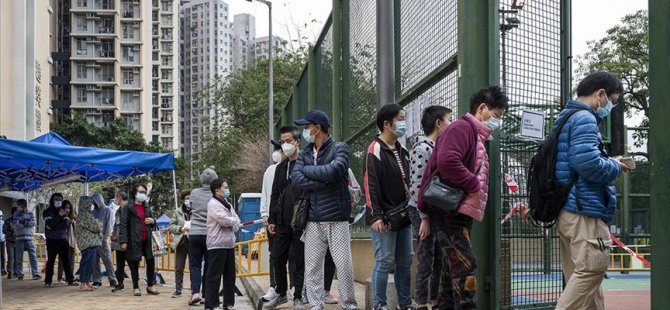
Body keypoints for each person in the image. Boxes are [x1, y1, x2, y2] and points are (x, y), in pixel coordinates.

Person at [418, 85, 508, 309]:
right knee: (466, 267)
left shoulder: (474, 134)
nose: (497, 121)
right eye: (496, 115)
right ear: (482, 108)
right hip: (448, 212)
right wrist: (473, 183)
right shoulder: (462, 128)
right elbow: (448, 161)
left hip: (457, 211)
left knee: (454, 270)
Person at [553, 71, 630, 310]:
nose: (611, 106)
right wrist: (615, 165)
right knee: (591, 271)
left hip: (566, 208)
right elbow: (587, 163)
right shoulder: (585, 119)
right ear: (600, 94)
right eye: (613, 100)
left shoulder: (565, 117)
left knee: (587, 280)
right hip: (583, 208)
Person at [292, 110, 358, 310]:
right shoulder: (304, 153)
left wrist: (309, 173)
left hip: (336, 216)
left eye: (307, 126)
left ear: (317, 128)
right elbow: (297, 178)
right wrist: (324, 180)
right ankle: (315, 304)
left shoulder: (340, 148)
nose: (306, 131)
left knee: (343, 263)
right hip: (312, 218)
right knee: (312, 265)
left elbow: (336, 170)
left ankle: (349, 304)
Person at [363, 104, 414, 310]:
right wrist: (376, 216)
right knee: (384, 260)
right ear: (387, 123)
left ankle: (405, 303)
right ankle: (379, 304)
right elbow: (370, 185)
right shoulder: (374, 149)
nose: (404, 123)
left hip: (404, 215)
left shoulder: (402, 150)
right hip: (384, 216)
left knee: (405, 261)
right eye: (400, 119)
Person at [408, 106, 452, 310]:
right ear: (438, 123)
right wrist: (423, 216)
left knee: (438, 259)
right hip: (422, 211)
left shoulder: (437, 148)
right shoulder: (422, 148)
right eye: (449, 119)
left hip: (434, 211)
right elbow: (417, 185)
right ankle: (421, 303)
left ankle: (434, 300)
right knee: (426, 257)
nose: (450, 124)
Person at [264, 126, 306, 310]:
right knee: (277, 258)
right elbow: (274, 194)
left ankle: (297, 296)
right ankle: (281, 293)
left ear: (297, 142)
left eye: (289, 141)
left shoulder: (305, 163)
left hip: (300, 221)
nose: (285, 145)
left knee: (298, 260)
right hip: (281, 221)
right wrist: (272, 219)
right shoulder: (281, 167)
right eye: (282, 142)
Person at [203, 178, 241, 310]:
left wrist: (233, 221)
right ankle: (212, 304)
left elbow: (237, 221)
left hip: (229, 244)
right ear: (217, 190)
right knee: (214, 276)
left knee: (230, 275)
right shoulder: (213, 204)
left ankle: (229, 304)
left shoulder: (228, 204)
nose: (227, 189)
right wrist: (233, 221)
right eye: (225, 187)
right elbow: (224, 220)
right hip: (217, 244)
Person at [119, 184, 160, 296]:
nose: (143, 194)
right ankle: (136, 287)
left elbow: (152, 221)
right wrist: (123, 241)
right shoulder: (128, 207)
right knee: (134, 263)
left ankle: (150, 286)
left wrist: (153, 220)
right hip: (133, 240)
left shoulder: (146, 206)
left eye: (144, 192)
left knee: (151, 262)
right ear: (134, 193)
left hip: (147, 239)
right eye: (140, 192)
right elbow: (123, 225)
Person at [188, 168, 218, 305]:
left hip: (194, 233)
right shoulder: (216, 195)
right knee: (209, 265)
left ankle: (195, 293)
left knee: (195, 264)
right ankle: (206, 294)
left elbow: (190, 207)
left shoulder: (194, 193)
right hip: (210, 234)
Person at [260, 140, 283, 302]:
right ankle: (274, 286)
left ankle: (295, 287)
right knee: (274, 255)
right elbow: (265, 194)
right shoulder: (270, 170)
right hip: (272, 218)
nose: (277, 152)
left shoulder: (296, 167)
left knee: (295, 256)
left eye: (280, 149)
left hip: (289, 219)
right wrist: (264, 215)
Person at [43, 193, 76, 287]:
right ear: (52, 200)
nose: (59, 201)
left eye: (60, 199)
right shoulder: (47, 212)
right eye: (56, 199)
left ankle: (70, 280)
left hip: (63, 239)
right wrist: (58, 216)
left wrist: (55, 223)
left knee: (66, 261)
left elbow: (64, 225)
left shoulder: (64, 211)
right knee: (51, 261)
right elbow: (48, 226)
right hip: (51, 240)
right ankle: (48, 281)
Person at [168, 189, 192, 297]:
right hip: (181, 242)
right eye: (187, 198)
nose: (189, 200)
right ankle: (178, 289)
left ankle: (194, 290)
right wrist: (180, 228)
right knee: (179, 267)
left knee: (194, 267)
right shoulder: (178, 211)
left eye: (191, 198)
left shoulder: (197, 211)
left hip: (194, 242)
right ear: (183, 200)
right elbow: (171, 226)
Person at [75, 196, 102, 292]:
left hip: (85, 244)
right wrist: (99, 223)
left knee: (87, 263)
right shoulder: (86, 215)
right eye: (90, 204)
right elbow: (97, 227)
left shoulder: (81, 215)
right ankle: (83, 283)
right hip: (89, 244)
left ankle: (86, 282)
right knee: (87, 263)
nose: (91, 206)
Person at [91, 192, 117, 287]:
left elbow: (109, 225)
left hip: (103, 239)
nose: (93, 202)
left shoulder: (107, 210)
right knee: (95, 260)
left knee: (107, 260)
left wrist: (105, 237)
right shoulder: (93, 212)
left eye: (94, 200)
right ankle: (97, 279)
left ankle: (112, 279)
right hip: (93, 240)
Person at [12, 199, 41, 280]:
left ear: (24, 206)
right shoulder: (15, 214)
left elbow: (33, 223)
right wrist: (26, 223)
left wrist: (23, 223)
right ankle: (20, 274)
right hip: (19, 238)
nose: (17, 207)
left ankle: (35, 273)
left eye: (19, 205)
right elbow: (15, 225)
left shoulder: (31, 213)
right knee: (19, 258)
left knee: (33, 257)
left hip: (29, 238)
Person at [111, 191, 129, 293]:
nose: (115, 200)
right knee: (120, 264)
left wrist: (126, 241)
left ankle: (136, 285)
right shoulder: (119, 210)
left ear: (120, 198)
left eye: (115, 197)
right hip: (119, 242)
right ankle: (120, 283)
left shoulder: (129, 208)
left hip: (128, 241)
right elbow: (117, 227)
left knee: (132, 263)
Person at [57, 200, 77, 283]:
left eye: (69, 208)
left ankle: (70, 277)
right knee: (62, 260)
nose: (67, 210)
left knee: (71, 259)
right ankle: (60, 277)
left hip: (72, 241)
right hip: (63, 241)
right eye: (65, 208)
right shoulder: (60, 217)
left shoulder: (72, 217)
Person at [4, 207, 17, 279]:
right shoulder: (7, 221)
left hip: (18, 241)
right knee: (11, 257)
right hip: (10, 241)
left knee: (17, 257)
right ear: (12, 213)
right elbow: (4, 230)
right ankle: (10, 272)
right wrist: (12, 234)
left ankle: (16, 272)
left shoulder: (19, 220)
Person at [0, 210, 5, 276]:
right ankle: (2, 269)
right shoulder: (3, 222)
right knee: (2, 255)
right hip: (2, 241)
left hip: (2, 240)